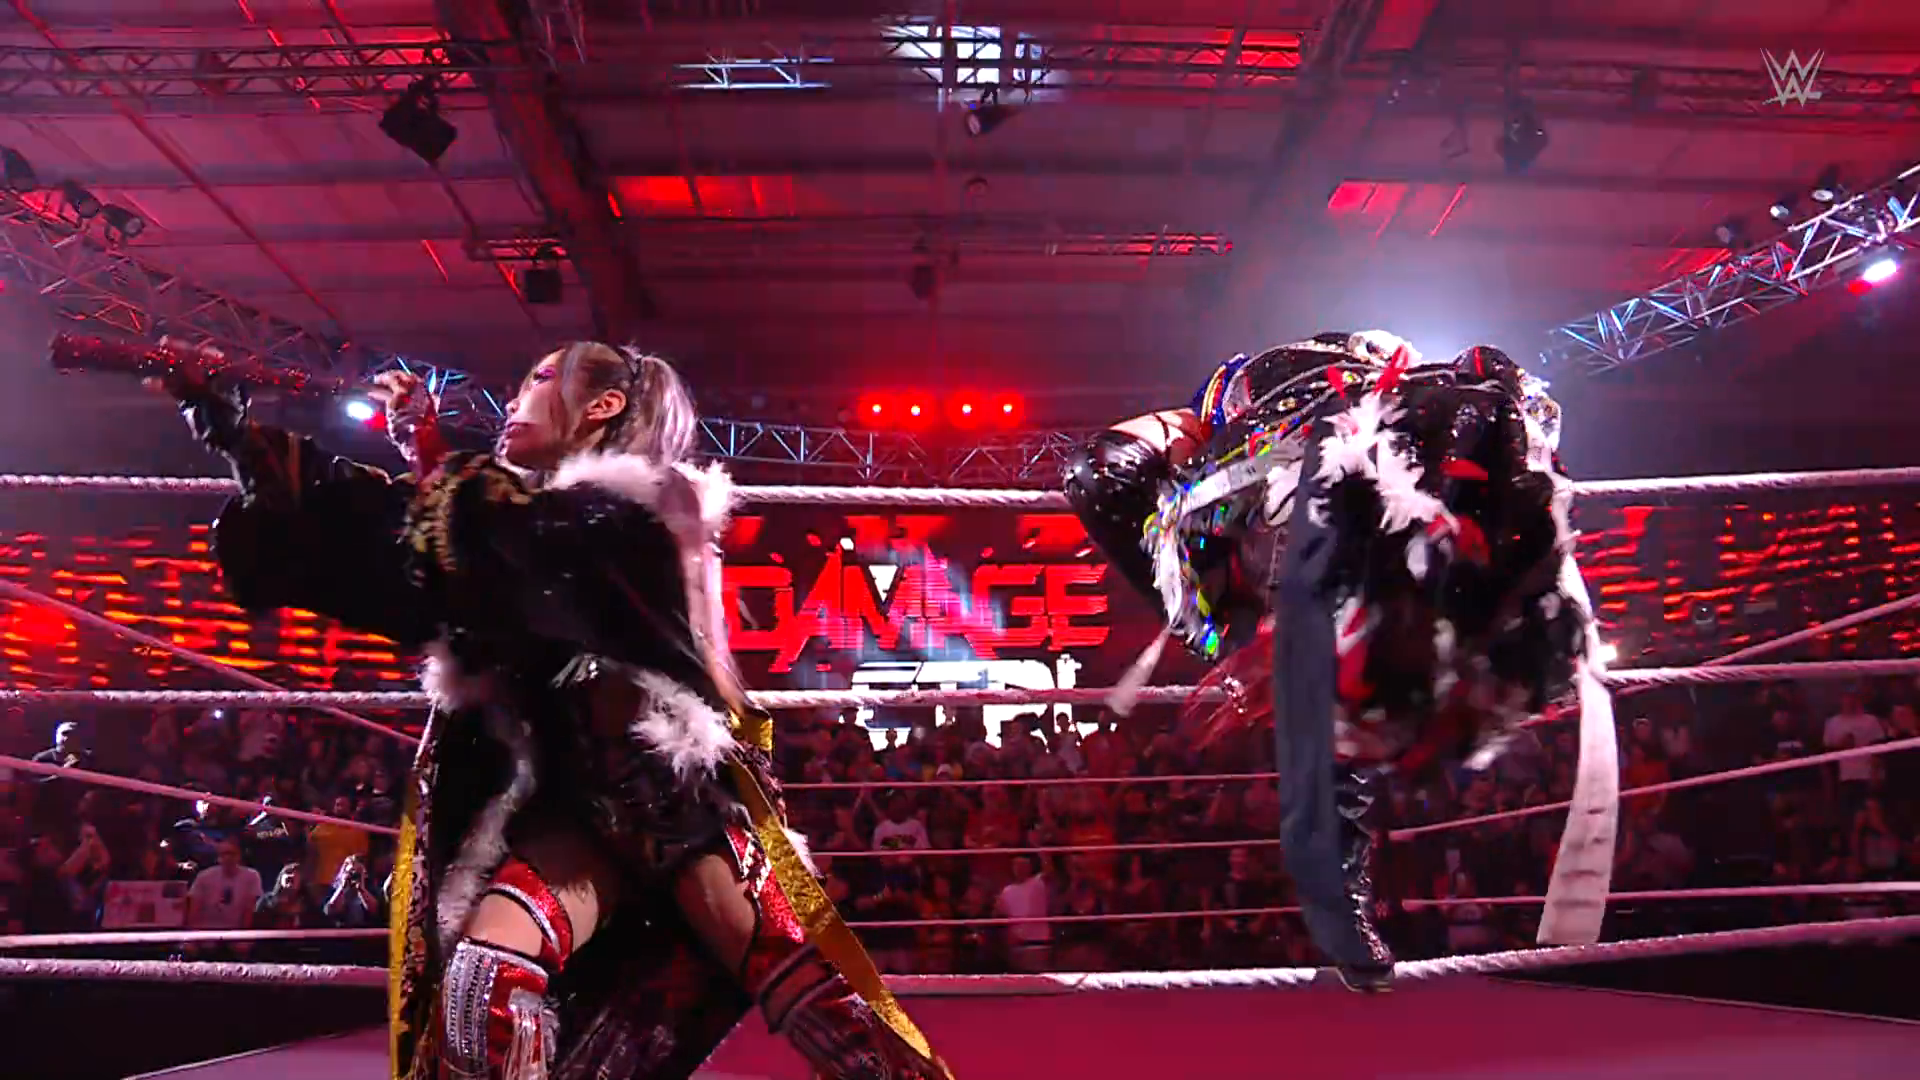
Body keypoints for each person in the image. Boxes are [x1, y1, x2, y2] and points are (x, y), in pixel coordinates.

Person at [156, 341, 947, 1080]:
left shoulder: (640, 504)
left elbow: (519, 543)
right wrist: (233, 427)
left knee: (812, 995)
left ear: (601, 406)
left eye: (538, 381)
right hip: (577, 810)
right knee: (482, 980)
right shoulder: (525, 518)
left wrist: (429, 454)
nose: (513, 400)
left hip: (674, 800)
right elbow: (413, 545)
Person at [1063, 331, 1615, 991]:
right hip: (1330, 509)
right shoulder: (1236, 425)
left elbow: (1105, 469)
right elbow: (1104, 469)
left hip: (1367, 480)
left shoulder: (1363, 385)